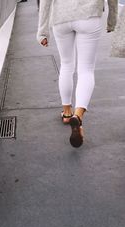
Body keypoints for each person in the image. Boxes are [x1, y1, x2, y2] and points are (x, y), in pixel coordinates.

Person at [37, 0, 118, 148]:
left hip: (61, 17)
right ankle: (78, 115)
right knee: (86, 69)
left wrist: (42, 31)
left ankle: (67, 113)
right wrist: (112, 19)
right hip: (89, 14)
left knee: (66, 65)